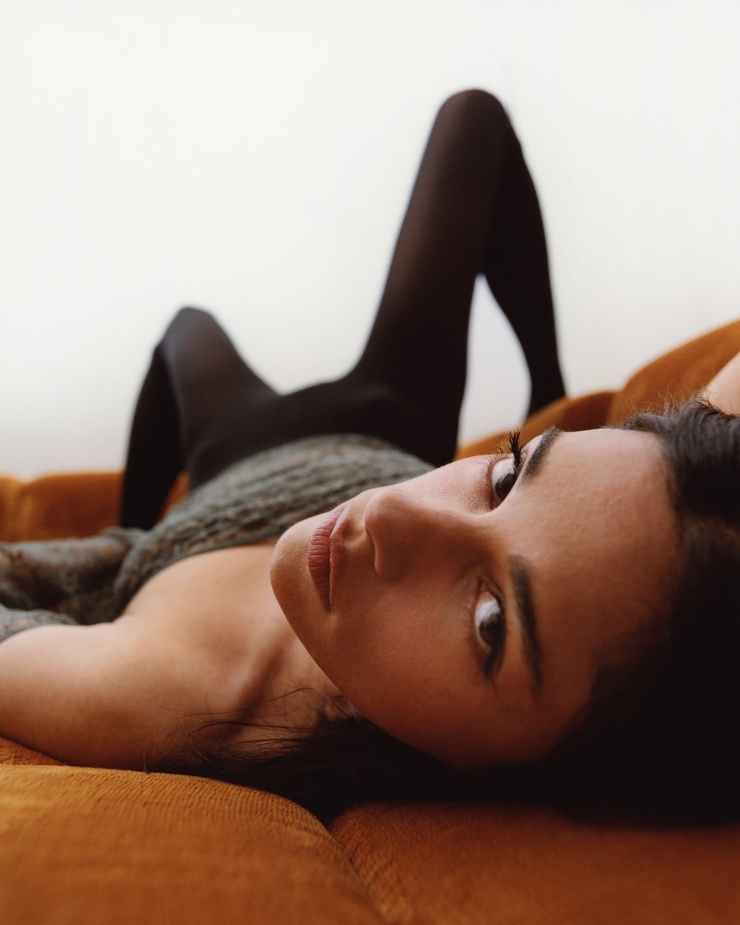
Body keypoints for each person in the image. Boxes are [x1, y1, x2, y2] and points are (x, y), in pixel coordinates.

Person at [0, 91, 738, 824]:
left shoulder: (152, 695)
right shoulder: (689, 523)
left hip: (234, 457)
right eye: (509, 475)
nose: (391, 510)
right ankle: (548, 393)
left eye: (490, 623)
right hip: (387, 419)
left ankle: (142, 538)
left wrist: (128, 557)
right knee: (472, 118)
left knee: (185, 329)